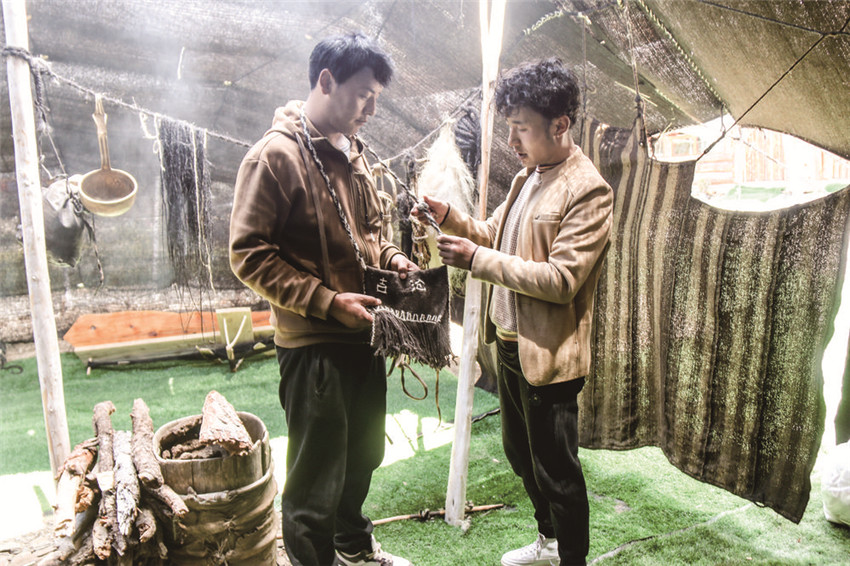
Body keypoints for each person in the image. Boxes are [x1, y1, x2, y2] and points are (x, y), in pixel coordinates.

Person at [414, 58, 613, 566]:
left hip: (548, 358)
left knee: (557, 472)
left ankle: (571, 558)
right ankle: (549, 542)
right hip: (509, 347)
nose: (511, 141)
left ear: (560, 125)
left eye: (521, 128)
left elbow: (561, 281)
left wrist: (477, 261)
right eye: (510, 127)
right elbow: (492, 234)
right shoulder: (530, 177)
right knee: (521, 456)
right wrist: (450, 218)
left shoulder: (587, 190)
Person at [229, 32, 416, 566]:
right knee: (316, 476)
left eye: (376, 97)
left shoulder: (352, 151)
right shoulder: (274, 157)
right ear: (327, 81)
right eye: (364, 95)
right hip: (314, 342)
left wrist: (392, 258)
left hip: (365, 332)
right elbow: (248, 255)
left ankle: (353, 547)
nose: (371, 109)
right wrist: (329, 302)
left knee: (363, 454)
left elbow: (370, 230)